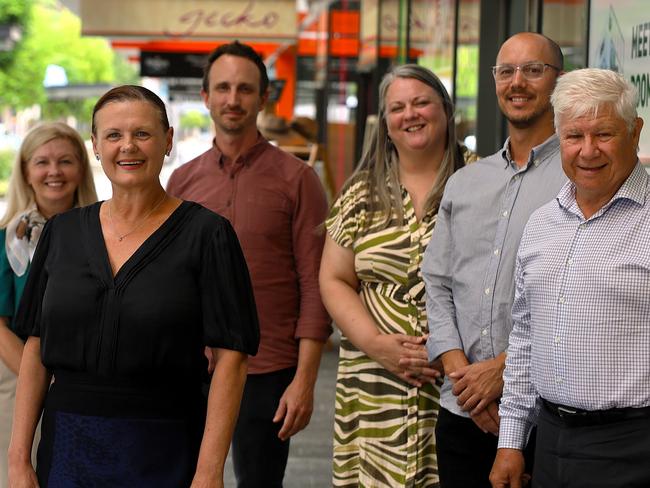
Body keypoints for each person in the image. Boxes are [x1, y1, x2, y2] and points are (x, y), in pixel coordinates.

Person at [8, 85, 260, 487]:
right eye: (113, 135)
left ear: (168, 141)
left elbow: (233, 358)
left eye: (142, 134)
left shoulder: (208, 234)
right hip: (67, 448)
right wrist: (19, 460)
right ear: (95, 145)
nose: (128, 146)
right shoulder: (63, 233)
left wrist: (209, 471)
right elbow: (37, 347)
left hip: (164, 445)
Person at [402, 32, 568, 488]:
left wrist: (504, 372)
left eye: (533, 70)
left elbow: (578, 296)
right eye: (506, 71)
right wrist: (463, 380)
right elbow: (436, 282)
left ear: (561, 81)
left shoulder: (577, 177)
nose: (518, 82)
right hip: (460, 413)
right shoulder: (465, 182)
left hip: (540, 415)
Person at [166, 41, 331, 487]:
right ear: (205, 97)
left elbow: (315, 283)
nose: (232, 99)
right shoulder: (182, 182)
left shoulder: (298, 180)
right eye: (222, 88)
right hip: (190, 367)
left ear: (263, 97)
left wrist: (304, 380)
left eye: (244, 89)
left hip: (268, 369)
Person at [490, 68, 650, 488]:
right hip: (550, 441)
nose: (588, 151)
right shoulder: (542, 223)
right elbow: (523, 337)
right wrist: (511, 442)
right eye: (574, 137)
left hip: (635, 445)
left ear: (635, 132)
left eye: (604, 135)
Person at [320, 64, 473, 487]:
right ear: (385, 124)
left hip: (460, 385)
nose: (411, 114)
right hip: (372, 384)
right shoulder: (361, 192)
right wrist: (377, 344)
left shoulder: (483, 181)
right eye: (398, 108)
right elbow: (334, 279)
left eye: (422, 102)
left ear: (445, 110)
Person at [0, 122, 97, 488]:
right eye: (42, 162)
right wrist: (42, 379)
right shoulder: (4, 240)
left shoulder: (107, 234)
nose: (54, 172)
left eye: (66, 161)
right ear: (26, 170)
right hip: (16, 379)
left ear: (82, 169)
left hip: (89, 381)